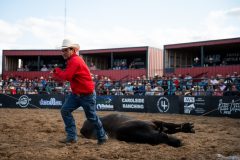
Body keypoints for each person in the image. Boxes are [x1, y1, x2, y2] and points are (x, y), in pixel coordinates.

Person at [52, 39, 108, 145]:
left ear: (72, 50)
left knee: (91, 117)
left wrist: (57, 71)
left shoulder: (74, 61)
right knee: (66, 110)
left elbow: (67, 76)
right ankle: (72, 137)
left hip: (86, 95)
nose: (63, 52)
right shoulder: (73, 60)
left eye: (65, 50)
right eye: (62, 50)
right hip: (79, 94)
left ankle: (102, 136)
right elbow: (68, 76)